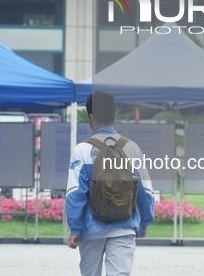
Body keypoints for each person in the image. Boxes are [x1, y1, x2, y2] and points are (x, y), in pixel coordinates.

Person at [65, 91, 155, 276]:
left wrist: (75, 227)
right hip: (125, 226)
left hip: (91, 229)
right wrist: (144, 222)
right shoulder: (131, 148)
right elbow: (145, 190)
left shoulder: (82, 150)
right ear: (114, 115)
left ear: (91, 117)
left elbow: (75, 193)